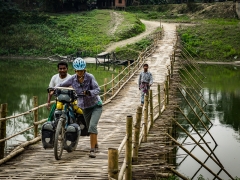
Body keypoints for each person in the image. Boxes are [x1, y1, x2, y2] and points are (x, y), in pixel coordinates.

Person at [55, 57, 102, 158]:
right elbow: (61, 85)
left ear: (84, 69)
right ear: (75, 70)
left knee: (92, 126)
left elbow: (98, 90)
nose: (80, 73)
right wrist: (54, 89)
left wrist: (89, 92)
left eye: (82, 71)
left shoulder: (90, 77)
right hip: (84, 107)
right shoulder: (73, 79)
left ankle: (92, 150)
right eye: (78, 71)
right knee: (90, 127)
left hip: (95, 105)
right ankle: (96, 143)